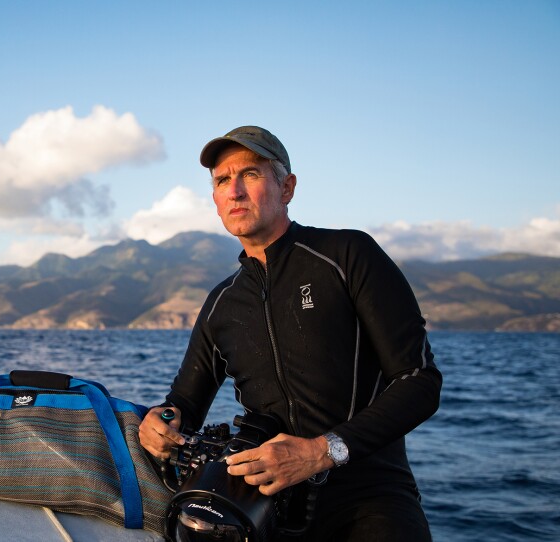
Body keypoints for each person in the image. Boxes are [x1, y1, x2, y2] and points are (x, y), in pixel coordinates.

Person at [139, 126, 442, 541]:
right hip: (264, 508)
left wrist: (319, 453)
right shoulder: (220, 302)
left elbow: (419, 381)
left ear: (287, 187)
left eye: (250, 174)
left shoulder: (347, 256)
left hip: (370, 499)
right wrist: (160, 422)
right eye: (222, 180)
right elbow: (183, 404)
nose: (235, 191)